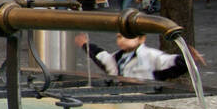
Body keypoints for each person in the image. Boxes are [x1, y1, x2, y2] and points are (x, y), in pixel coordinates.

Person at [75, 32, 204, 81]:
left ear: (141, 39)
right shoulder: (116, 57)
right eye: (119, 37)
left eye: (128, 36)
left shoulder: (150, 55)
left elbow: (169, 62)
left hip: (143, 98)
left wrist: (186, 59)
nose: (122, 40)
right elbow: (101, 57)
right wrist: (86, 45)